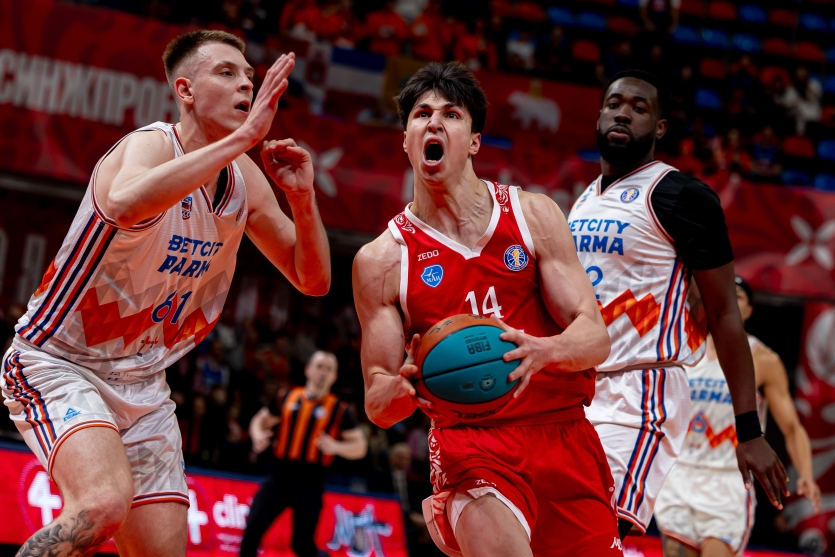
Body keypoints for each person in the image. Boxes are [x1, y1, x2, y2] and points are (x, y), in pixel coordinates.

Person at [2, 30, 331, 556]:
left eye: (249, 76)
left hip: (144, 385)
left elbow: (311, 279)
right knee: (100, 507)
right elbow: (125, 203)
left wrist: (304, 198)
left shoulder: (243, 177)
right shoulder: (151, 144)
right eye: (226, 72)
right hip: (59, 362)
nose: (245, 83)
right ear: (186, 90)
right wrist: (243, 139)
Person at [353, 62, 622, 557]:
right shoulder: (382, 261)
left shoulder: (533, 215)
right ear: (406, 140)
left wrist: (542, 351)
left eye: (451, 115)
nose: (434, 123)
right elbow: (378, 403)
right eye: (421, 115)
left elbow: (595, 338)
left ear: (474, 141)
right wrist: (403, 388)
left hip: (563, 435)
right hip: (470, 445)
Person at [567, 69, 788, 540]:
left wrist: (749, 431)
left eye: (639, 108)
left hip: (639, 392)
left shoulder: (682, 196)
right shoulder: (583, 200)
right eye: (614, 104)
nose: (623, 113)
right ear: (600, 115)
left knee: (592, 536)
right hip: (577, 390)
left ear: (660, 127)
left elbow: (725, 313)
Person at [655, 277, 822, 557]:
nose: (730, 299)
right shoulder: (682, 348)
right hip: (679, 475)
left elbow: (792, 428)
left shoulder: (763, 359)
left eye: (739, 296)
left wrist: (806, 474)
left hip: (729, 482)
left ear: (748, 310)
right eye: (725, 293)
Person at [241, 350, 367, 557]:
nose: (323, 372)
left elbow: (360, 447)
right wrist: (257, 435)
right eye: (320, 367)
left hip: (311, 482)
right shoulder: (286, 396)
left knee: (302, 546)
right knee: (251, 535)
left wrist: (336, 446)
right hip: (279, 477)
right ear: (308, 370)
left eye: (329, 369)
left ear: (335, 376)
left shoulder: (340, 410)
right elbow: (259, 420)